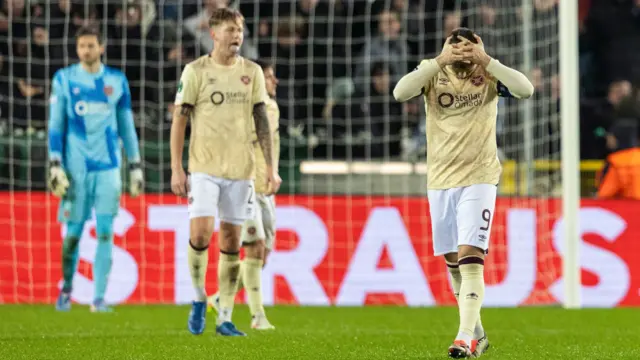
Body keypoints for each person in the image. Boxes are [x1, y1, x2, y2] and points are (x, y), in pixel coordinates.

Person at [393, 27, 534, 359]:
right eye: (455, 50)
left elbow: (525, 89)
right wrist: (438, 60)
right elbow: (400, 93)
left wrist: (488, 61)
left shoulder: (488, 75)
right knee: (454, 264)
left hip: (480, 177)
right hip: (440, 180)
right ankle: (480, 336)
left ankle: (464, 337)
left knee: (472, 259)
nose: (462, 56)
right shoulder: (434, 73)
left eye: (469, 50)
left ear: (479, 51)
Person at [170, 8, 281, 337]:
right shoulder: (195, 72)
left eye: (240, 31)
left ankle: (226, 317)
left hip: (241, 172)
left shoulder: (253, 72)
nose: (237, 36)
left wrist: (271, 168)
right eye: (230, 30)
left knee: (234, 243)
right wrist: (177, 168)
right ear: (213, 33)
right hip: (204, 168)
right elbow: (179, 120)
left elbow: (262, 122)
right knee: (201, 235)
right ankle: (199, 296)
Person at [48, 26, 144, 313]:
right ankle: (67, 287)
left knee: (105, 231)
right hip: (75, 170)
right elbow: (55, 125)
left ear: (101, 47)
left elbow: (127, 126)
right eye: (81, 46)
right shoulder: (64, 79)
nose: (86, 51)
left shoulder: (116, 81)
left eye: (91, 45)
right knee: (73, 234)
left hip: (109, 168)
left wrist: (136, 165)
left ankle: (99, 298)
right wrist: (54, 162)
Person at [207, 59, 280, 331]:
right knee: (255, 248)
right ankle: (257, 315)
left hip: (264, 189)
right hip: (247, 184)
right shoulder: (254, 108)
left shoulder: (269, 107)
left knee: (263, 253)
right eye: (270, 77)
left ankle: (218, 297)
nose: (275, 81)